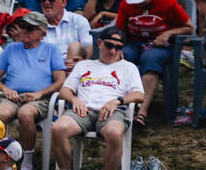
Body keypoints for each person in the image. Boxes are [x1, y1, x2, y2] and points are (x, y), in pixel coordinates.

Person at [51, 28, 144, 170]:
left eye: (118, 47)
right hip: (82, 110)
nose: (113, 51)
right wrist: (75, 100)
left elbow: (139, 95)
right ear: (99, 43)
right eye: (109, 45)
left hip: (113, 111)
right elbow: (65, 90)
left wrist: (117, 100)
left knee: (114, 132)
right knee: (58, 128)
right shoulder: (84, 65)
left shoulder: (128, 68)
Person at [0, 10, 65, 168]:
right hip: (12, 96)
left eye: (29, 28)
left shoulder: (51, 50)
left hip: (40, 99)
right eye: (22, 26)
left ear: (41, 33)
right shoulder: (11, 48)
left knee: (25, 113)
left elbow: (61, 81)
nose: (23, 30)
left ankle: (27, 160)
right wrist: (5, 89)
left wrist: (39, 93)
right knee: (2, 113)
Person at [117, 0, 193, 128]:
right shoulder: (126, 3)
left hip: (161, 45)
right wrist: (116, 47)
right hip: (134, 42)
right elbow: (120, 29)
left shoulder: (166, 1)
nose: (140, 3)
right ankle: (121, 106)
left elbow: (189, 27)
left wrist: (169, 33)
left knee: (151, 58)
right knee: (123, 56)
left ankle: (141, 113)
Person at [39, 0, 93, 69]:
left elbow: (89, 46)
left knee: (75, 46)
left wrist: (82, 63)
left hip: (74, 71)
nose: (46, 2)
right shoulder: (36, 24)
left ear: (63, 2)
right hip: (47, 70)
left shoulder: (78, 20)